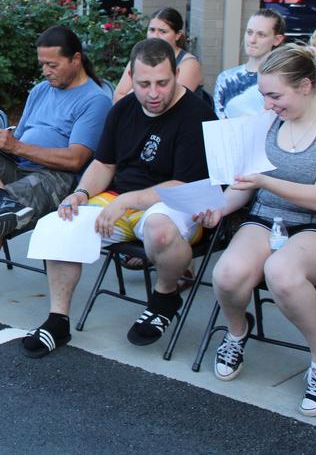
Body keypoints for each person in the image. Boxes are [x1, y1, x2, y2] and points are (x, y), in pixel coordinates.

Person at [196, 30, 316, 417]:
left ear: (306, 86)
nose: (268, 105)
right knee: (226, 274)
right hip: (269, 218)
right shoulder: (267, 119)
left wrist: (263, 180)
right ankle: (238, 332)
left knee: (282, 272)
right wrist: (220, 208)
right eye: (264, 96)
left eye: (276, 96)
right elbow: (243, 185)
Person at [22, 38, 217, 358]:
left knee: (159, 229)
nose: (153, 93)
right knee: (62, 225)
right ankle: (58, 320)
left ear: (177, 73)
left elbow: (183, 185)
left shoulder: (198, 115)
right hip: (120, 198)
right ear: (131, 76)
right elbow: (104, 163)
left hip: (179, 203)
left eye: (162, 83)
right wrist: (81, 193)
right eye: (143, 84)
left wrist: (126, 202)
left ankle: (165, 296)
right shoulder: (123, 109)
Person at [0, 26, 112, 338]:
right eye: (42, 64)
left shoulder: (95, 100)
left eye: (53, 65)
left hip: (57, 178)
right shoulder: (41, 90)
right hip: (20, 166)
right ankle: (3, 197)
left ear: (76, 59)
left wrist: (18, 147)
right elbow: (22, 137)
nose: (46, 71)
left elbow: (76, 160)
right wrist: (1, 142)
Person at [113, 7, 202, 103]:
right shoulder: (139, 58)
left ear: (178, 35)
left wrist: (139, 84)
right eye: (152, 30)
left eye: (163, 31)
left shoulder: (189, 64)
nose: (155, 36)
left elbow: (169, 102)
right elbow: (117, 97)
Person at [213, 9, 286, 119]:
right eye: (249, 32)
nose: (252, 40)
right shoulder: (226, 79)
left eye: (261, 35)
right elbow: (219, 122)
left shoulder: (283, 78)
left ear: (277, 40)